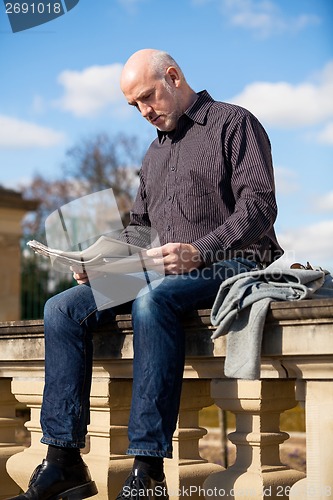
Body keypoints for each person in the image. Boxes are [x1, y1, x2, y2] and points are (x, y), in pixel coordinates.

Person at [7, 48, 283, 500]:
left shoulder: (235, 123)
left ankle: (148, 471)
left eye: (148, 97)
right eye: (134, 105)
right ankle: (63, 461)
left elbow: (259, 207)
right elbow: (140, 230)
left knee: (151, 300)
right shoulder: (154, 155)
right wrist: (100, 264)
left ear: (173, 77)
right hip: (159, 270)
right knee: (61, 308)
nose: (144, 111)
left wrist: (201, 249)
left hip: (233, 263)